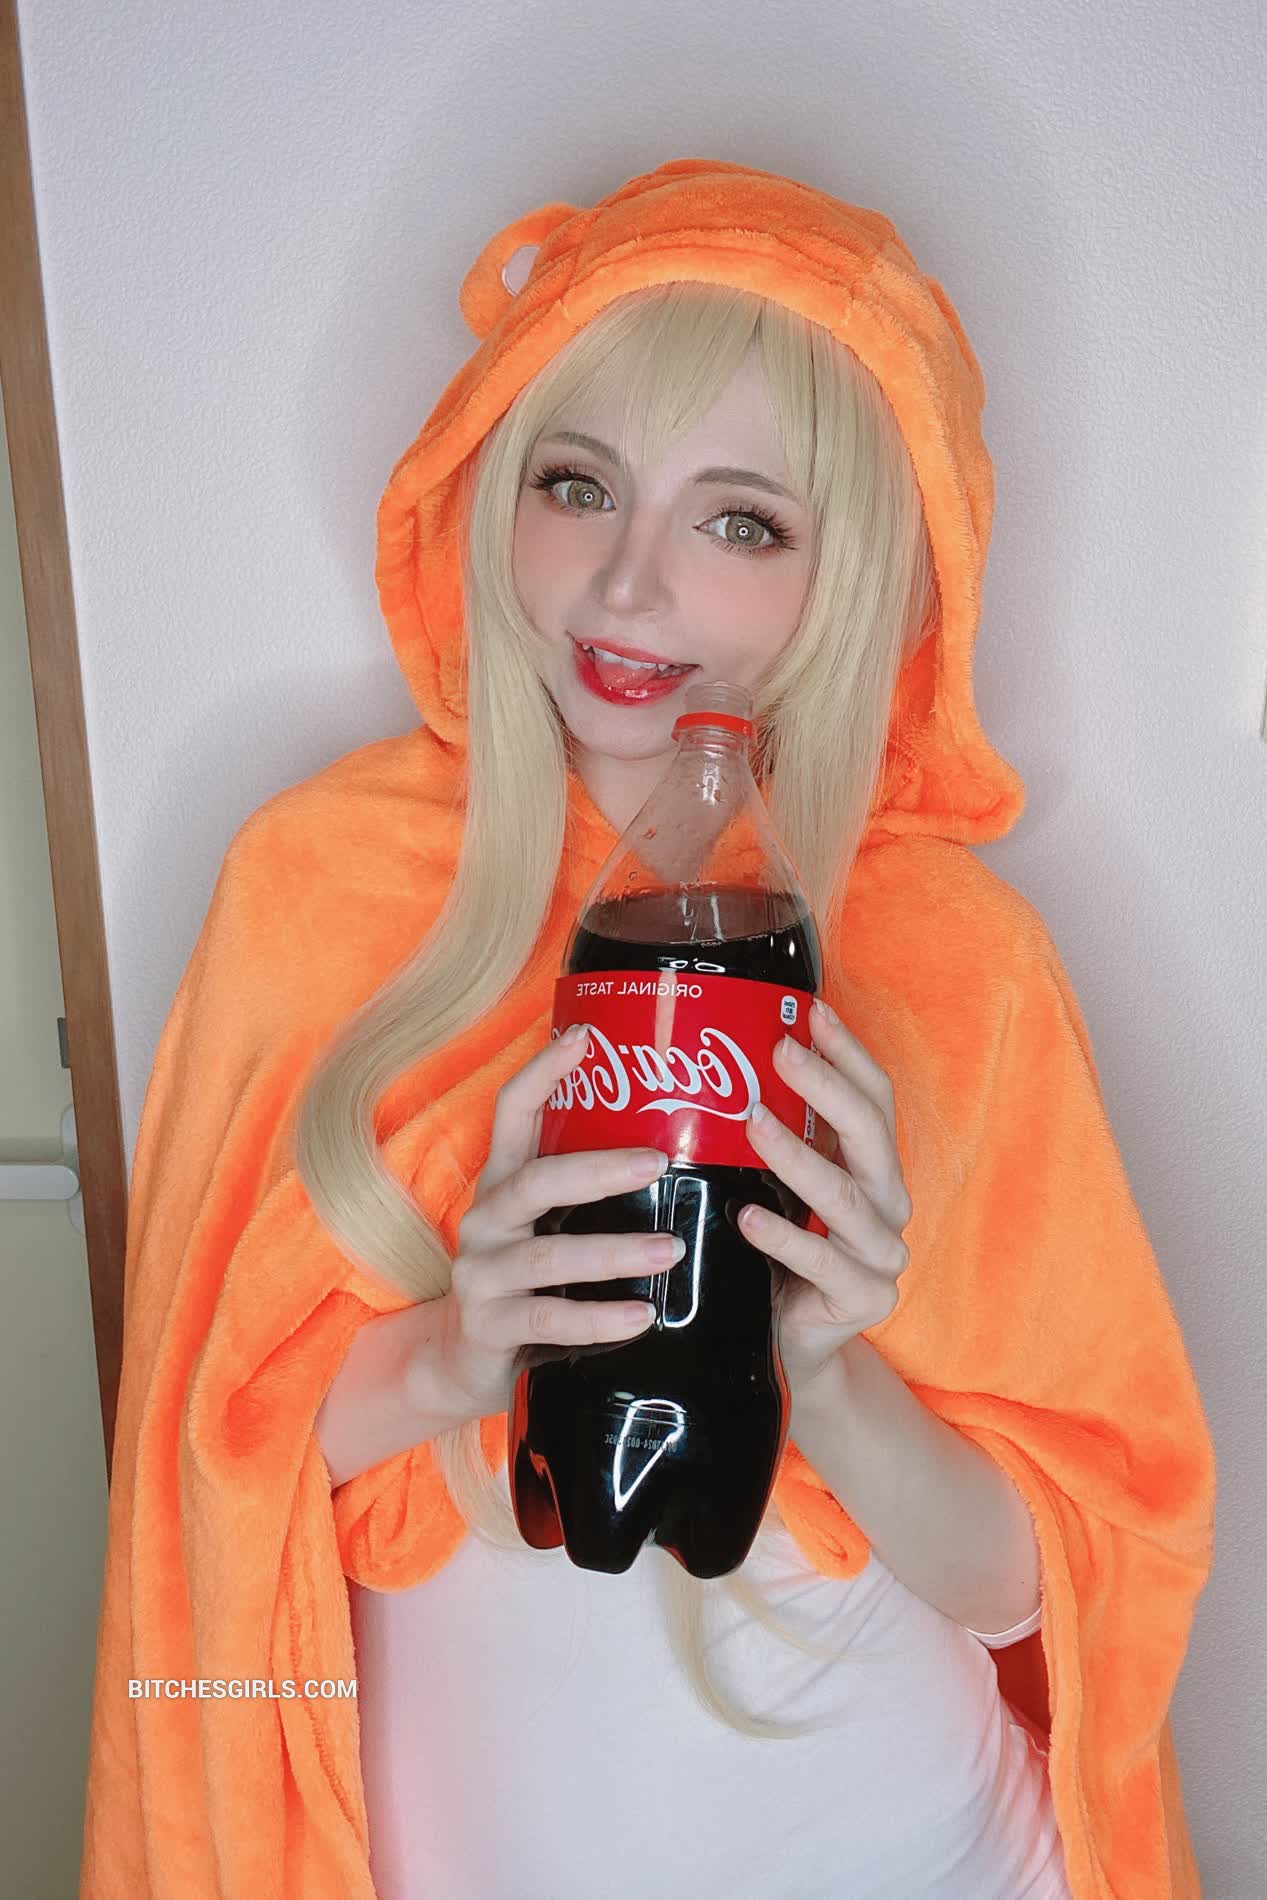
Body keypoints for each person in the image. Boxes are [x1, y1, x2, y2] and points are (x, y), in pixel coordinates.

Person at [79, 158, 1217, 1900]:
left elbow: (1041, 1591)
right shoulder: (313, 888)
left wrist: (826, 1374)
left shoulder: (957, 961)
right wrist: (451, 1356)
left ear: (850, 574)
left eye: (739, 522)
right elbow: (195, 1486)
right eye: (579, 484)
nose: (626, 587)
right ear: (491, 489)